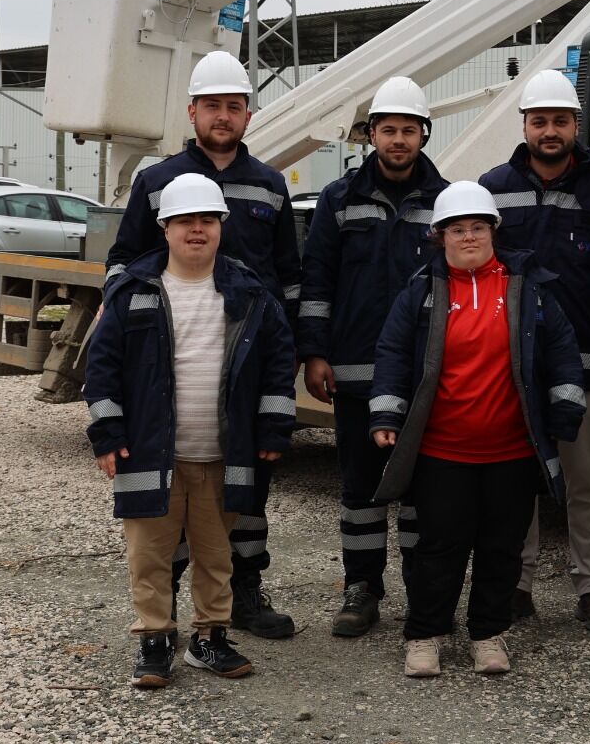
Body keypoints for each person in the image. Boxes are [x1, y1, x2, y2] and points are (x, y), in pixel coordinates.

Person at [105, 49, 301, 640]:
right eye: (212, 106)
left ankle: (245, 592)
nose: (223, 116)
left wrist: (287, 351)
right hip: (176, 355)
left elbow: (288, 276)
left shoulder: (268, 185)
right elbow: (123, 262)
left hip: (245, 362)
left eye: (233, 106)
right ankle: (166, 608)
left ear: (248, 113)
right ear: (192, 111)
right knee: (171, 484)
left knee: (244, 481)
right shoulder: (155, 181)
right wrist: (133, 332)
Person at [85, 174, 298, 689]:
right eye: (185, 221)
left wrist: (273, 427)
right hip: (147, 453)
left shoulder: (249, 293)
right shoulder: (133, 291)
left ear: (222, 226)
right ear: (164, 228)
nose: (196, 230)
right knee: (149, 555)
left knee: (215, 554)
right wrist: (108, 435)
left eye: (206, 220)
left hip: (223, 454)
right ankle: (154, 641)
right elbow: (102, 365)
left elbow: (277, 362)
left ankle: (210, 638)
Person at [368, 181, 585, 678]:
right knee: (438, 548)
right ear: (439, 237)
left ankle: (489, 634)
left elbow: (563, 353)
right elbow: (392, 356)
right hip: (443, 452)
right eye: (458, 229)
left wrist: (564, 414)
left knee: (501, 548)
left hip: (510, 451)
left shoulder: (527, 288)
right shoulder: (421, 292)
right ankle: (425, 636)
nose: (469, 237)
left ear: (493, 231)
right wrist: (385, 417)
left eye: (478, 227)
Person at [479, 70, 590, 635]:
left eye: (560, 121)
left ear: (576, 126)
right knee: (517, 477)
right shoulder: (493, 188)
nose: (550, 130)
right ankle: (516, 584)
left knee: (586, 480)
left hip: (588, 360)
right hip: (513, 363)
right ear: (524, 125)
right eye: (540, 120)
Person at [299, 76, 447, 637]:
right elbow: (318, 281)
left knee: (417, 490)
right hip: (356, 373)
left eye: (409, 130)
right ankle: (361, 588)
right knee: (360, 489)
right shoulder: (340, 199)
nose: (399, 140)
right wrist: (313, 352)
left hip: (421, 377)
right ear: (370, 136)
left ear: (423, 134)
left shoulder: (444, 201)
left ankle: (419, 591)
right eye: (389, 130)